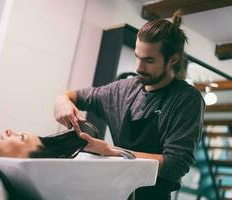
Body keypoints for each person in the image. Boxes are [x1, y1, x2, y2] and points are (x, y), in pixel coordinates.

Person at [54, 11, 205, 200]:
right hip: (115, 192)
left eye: (149, 60)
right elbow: (75, 96)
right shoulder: (122, 90)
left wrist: (111, 152)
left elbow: (175, 165)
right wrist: (62, 101)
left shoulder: (186, 99)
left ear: (173, 59)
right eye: (137, 57)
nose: (139, 68)